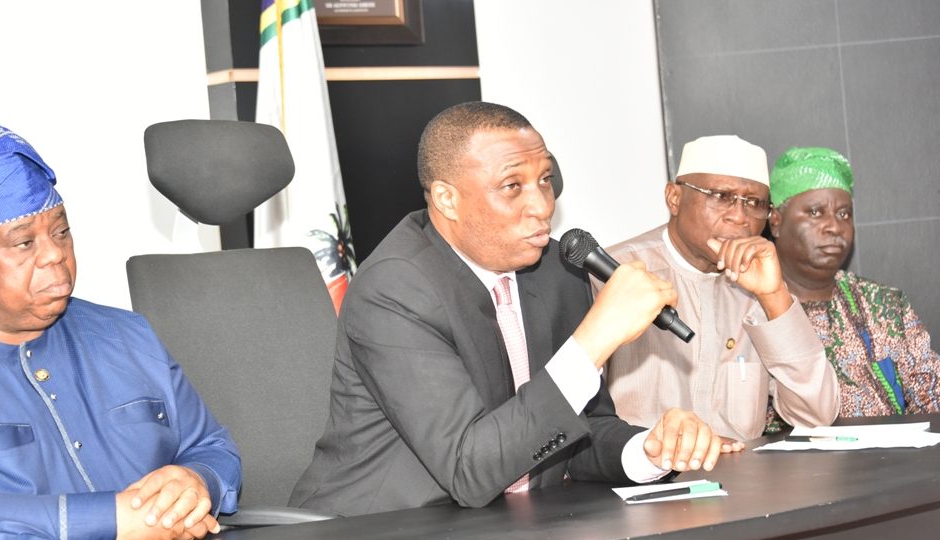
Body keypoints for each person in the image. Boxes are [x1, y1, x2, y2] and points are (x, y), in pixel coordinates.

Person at [289, 102, 725, 517]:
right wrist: (595, 338)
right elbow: (469, 468)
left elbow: (576, 430)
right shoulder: (395, 287)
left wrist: (647, 451)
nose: (543, 206)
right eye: (512, 186)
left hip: (504, 528)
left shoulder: (556, 269)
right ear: (446, 199)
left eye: (545, 180)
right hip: (374, 537)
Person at [0, 125, 242, 540]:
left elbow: (210, 444)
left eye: (61, 232)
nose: (55, 254)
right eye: (25, 242)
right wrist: (110, 520)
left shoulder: (128, 335)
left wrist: (198, 481)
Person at [603, 135, 840, 443]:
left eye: (754, 203)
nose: (739, 217)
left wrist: (773, 296)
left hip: (743, 472)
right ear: (674, 198)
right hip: (638, 470)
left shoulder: (757, 285)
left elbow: (817, 415)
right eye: (720, 196)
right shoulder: (615, 273)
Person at [768, 146, 940, 418]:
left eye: (844, 214)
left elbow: (932, 392)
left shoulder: (884, 303)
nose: (834, 227)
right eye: (815, 212)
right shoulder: (751, 310)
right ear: (776, 222)